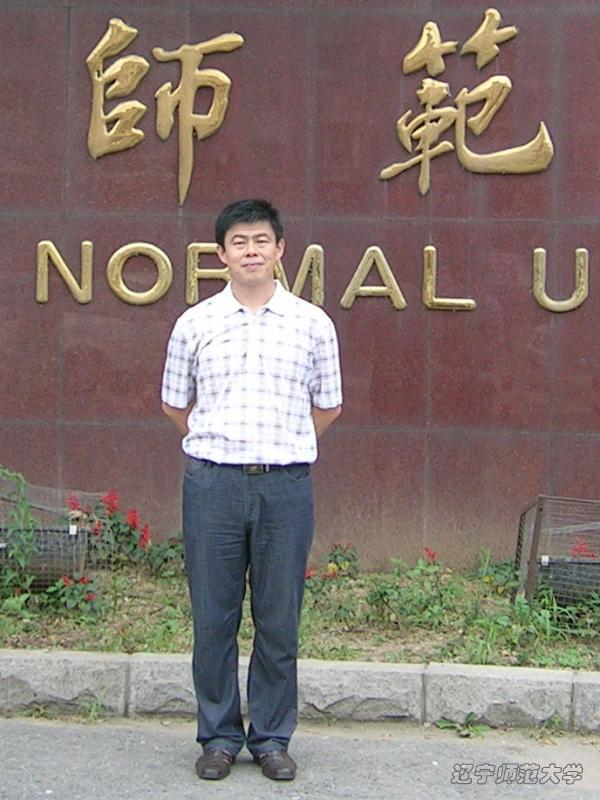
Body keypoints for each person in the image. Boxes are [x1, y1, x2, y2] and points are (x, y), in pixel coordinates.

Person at [160, 199, 342, 782]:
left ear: (280, 249)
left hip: (285, 487)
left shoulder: (312, 323)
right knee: (213, 618)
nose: (251, 251)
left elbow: (328, 405)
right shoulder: (195, 323)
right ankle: (217, 737)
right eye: (239, 242)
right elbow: (174, 403)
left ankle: (270, 738)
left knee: (278, 619)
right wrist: (221, 444)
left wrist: (282, 445)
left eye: (262, 240)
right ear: (221, 254)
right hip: (212, 486)